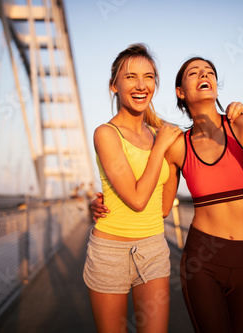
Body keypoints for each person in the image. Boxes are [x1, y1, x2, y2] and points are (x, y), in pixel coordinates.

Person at [92, 56, 243, 333]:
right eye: (194, 73)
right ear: (180, 92)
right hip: (203, 259)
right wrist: (107, 200)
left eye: (209, 72)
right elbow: (159, 205)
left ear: (216, 87)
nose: (203, 75)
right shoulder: (175, 145)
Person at [82, 43, 181, 333]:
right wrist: (162, 147)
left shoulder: (157, 133)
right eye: (130, 77)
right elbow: (138, 200)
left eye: (149, 77)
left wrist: (172, 163)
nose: (141, 85)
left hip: (153, 249)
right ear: (114, 86)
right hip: (109, 251)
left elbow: (162, 209)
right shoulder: (106, 133)